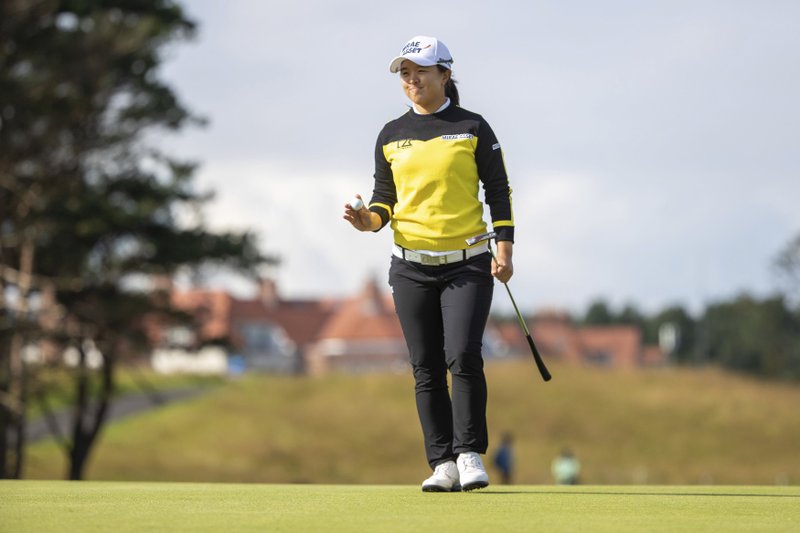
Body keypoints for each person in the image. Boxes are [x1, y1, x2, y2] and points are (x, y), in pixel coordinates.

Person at [343, 35, 515, 492]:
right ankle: (442, 463)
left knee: (462, 355)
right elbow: (385, 201)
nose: (411, 79)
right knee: (425, 366)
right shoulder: (390, 134)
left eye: (420, 70)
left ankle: (469, 453)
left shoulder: (473, 127)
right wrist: (367, 221)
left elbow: (498, 190)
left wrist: (505, 248)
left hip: (468, 263)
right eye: (404, 73)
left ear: (445, 73)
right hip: (410, 266)